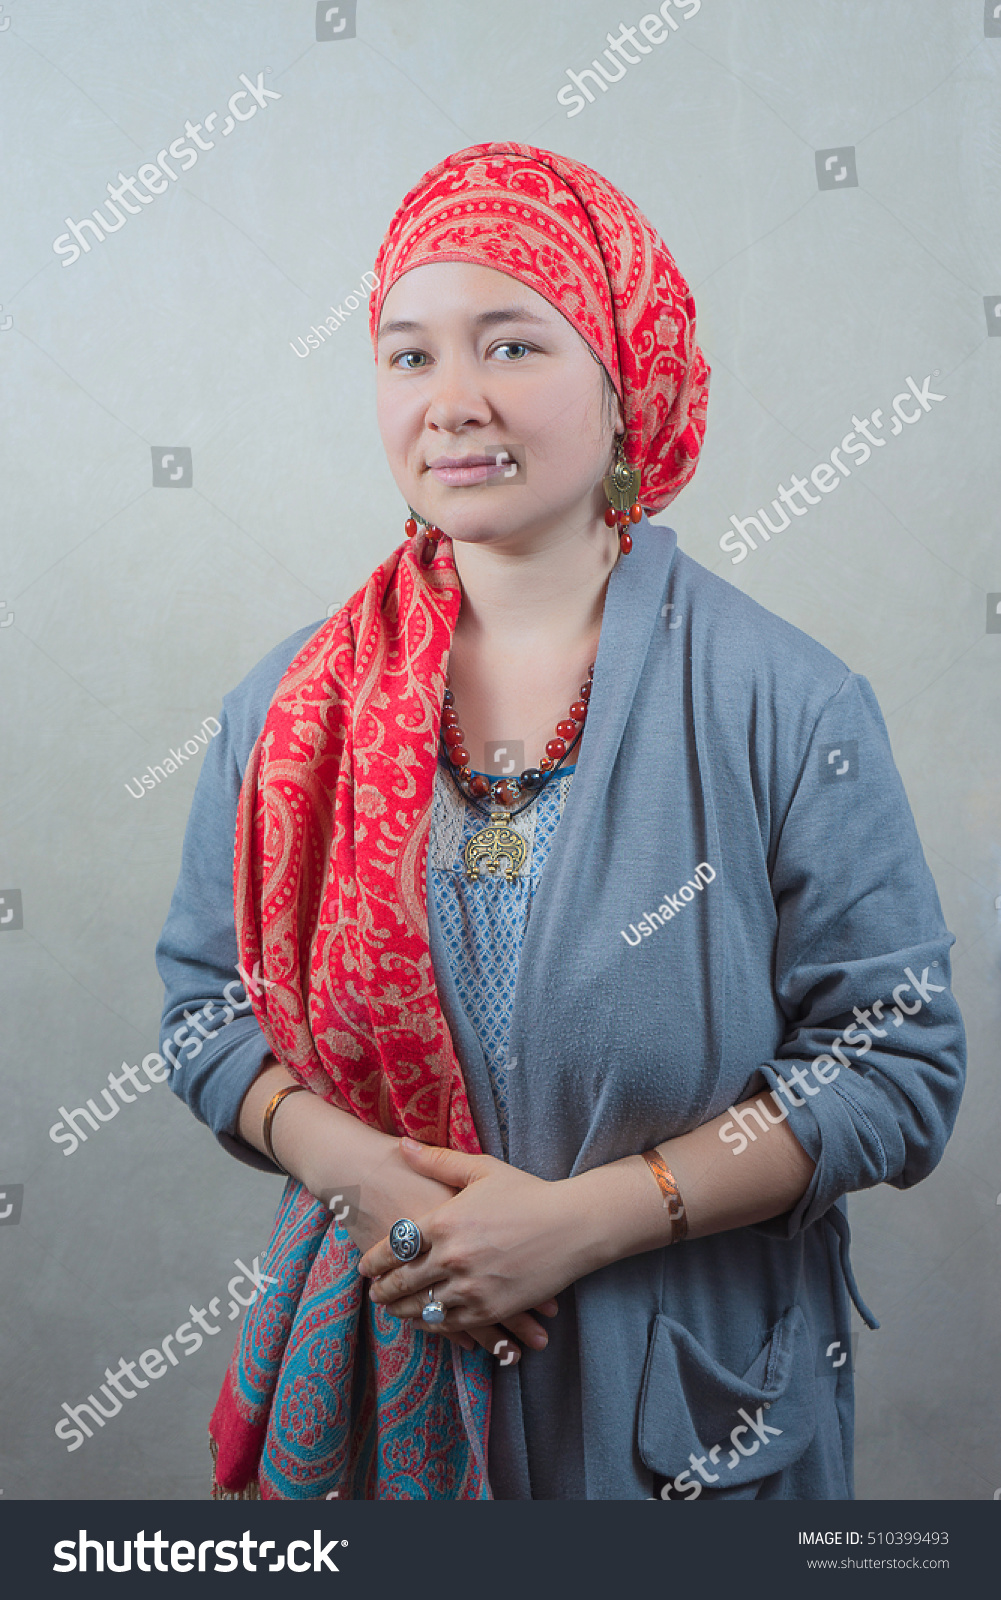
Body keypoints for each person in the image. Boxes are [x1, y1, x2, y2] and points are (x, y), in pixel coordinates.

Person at [155, 142, 965, 1501]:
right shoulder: (289, 706)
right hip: (372, 1390)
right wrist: (358, 1170)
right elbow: (200, 1011)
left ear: (622, 377)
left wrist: (586, 1224)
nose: (452, 402)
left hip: (671, 1420)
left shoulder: (787, 703)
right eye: (408, 357)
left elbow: (894, 1069)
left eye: (512, 345)